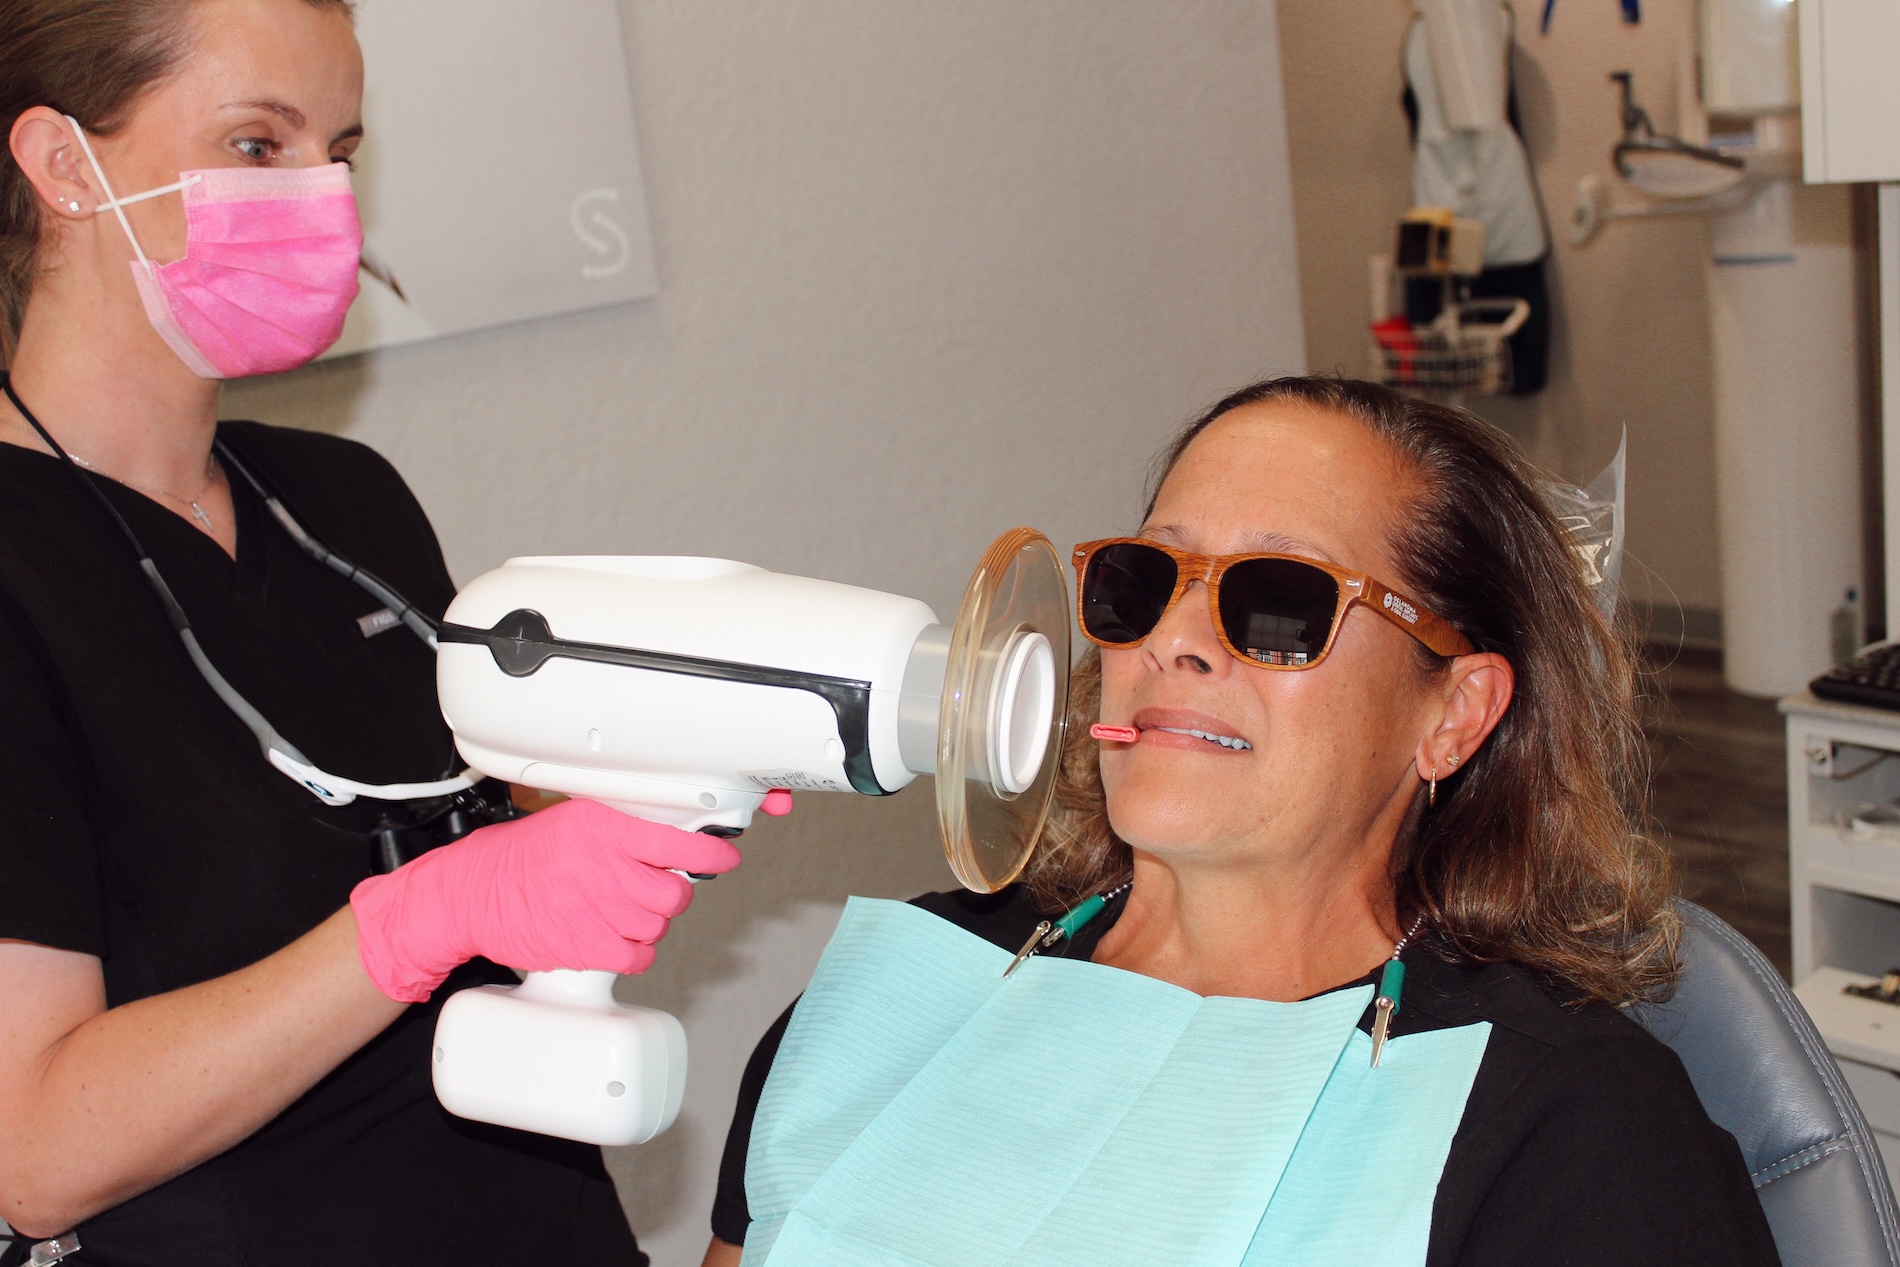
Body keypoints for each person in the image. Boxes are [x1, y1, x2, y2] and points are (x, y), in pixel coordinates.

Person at [701, 376, 1780, 1267]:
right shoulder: (887, 1007)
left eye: (1278, 602)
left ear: (1453, 713)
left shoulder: (1571, 1130)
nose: (1175, 639)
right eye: (1144, 580)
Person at [0, 3, 741, 1263]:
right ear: (67, 165)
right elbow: (34, 1156)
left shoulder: (344, 503)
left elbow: (460, 816)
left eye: (338, 152)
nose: (320, 199)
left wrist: (657, 770)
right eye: (255, 145)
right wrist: (417, 919)